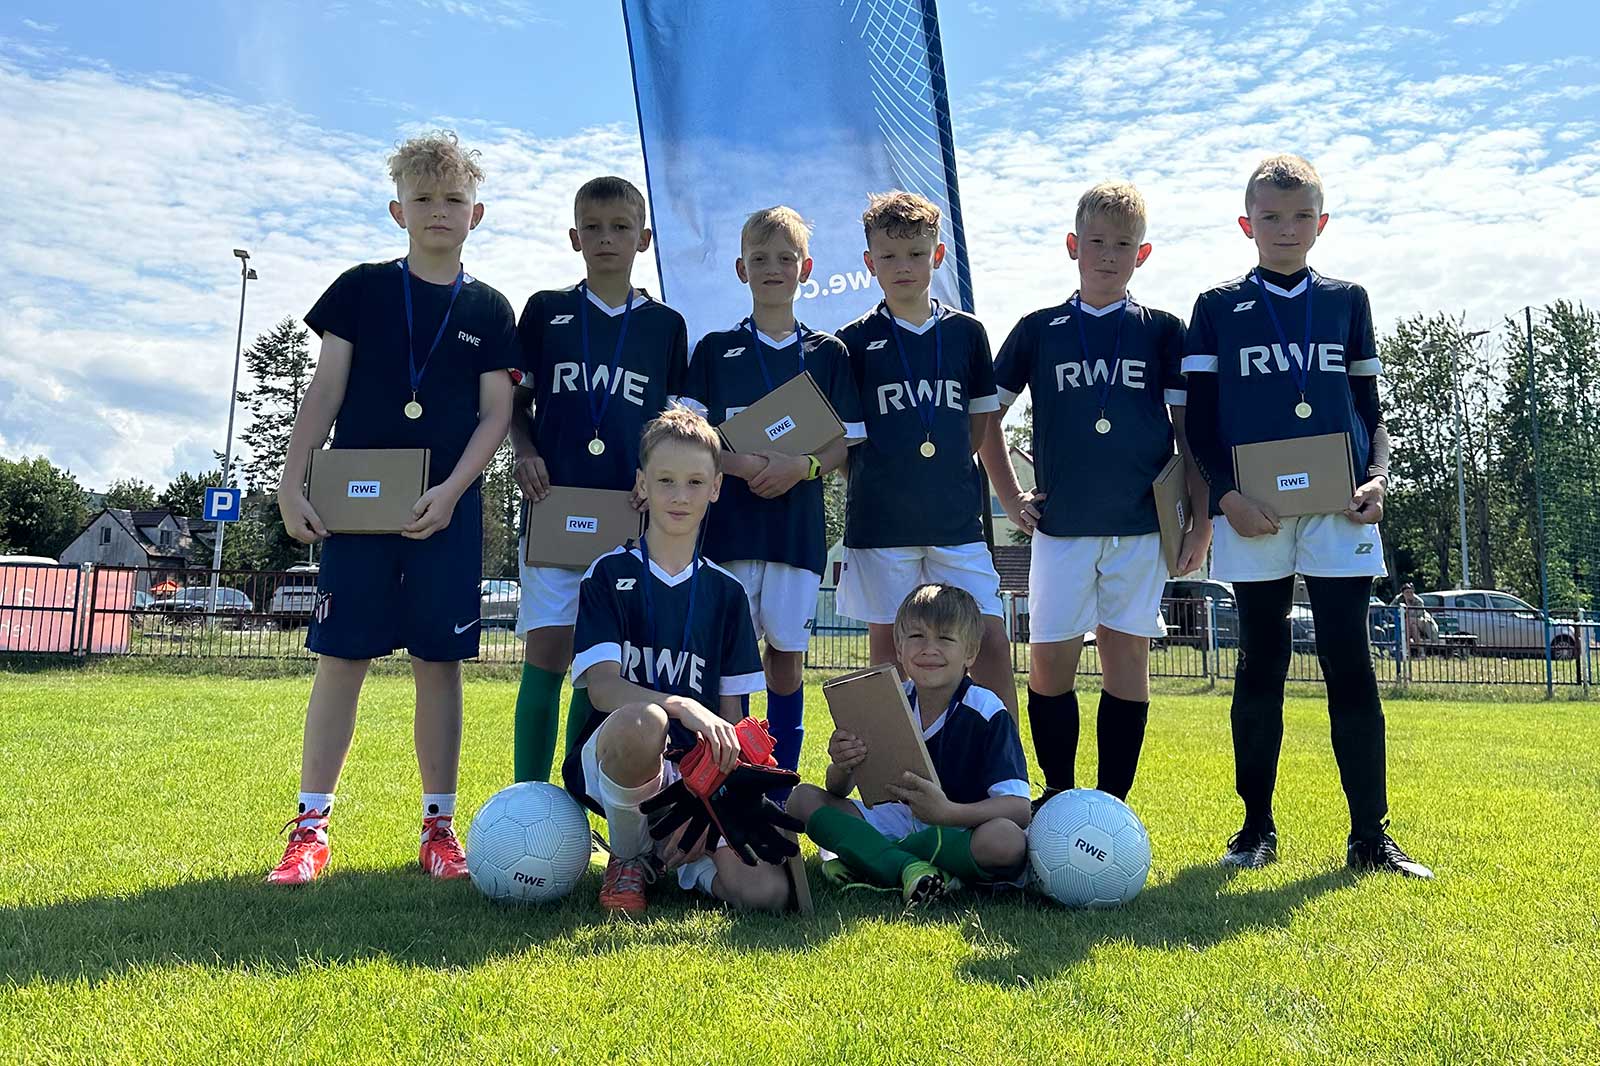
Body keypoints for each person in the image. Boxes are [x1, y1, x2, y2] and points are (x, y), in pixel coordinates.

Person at [268, 131, 517, 885]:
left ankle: (438, 828)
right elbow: (326, 391)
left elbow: (496, 414)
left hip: (445, 508)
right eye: (423, 198)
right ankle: (310, 829)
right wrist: (291, 480)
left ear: (477, 214)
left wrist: (452, 491)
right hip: (359, 504)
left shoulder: (490, 307)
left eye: (453, 199)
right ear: (396, 209)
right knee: (340, 655)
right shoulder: (359, 289)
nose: (438, 210)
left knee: (439, 664)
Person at [1183, 154, 1432, 878]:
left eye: (1299, 217)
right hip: (1252, 506)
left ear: (1320, 223)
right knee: (1261, 659)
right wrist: (1226, 495)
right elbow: (1198, 422)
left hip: (1339, 507)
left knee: (1350, 661)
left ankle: (1370, 837)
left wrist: (1380, 477)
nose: (1285, 229)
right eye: (1270, 216)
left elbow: (1372, 414)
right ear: (1246, 223)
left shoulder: (1348, 300)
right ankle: (1255, 829)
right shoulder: (1216, 305)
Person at [978, 181, 1209, 810]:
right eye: (1098, 243)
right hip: (1063, 526)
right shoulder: (1039, 330)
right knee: (1050, 661)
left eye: (1124, 245)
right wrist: (1009, 494)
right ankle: (1058, 793)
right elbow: (985, 419)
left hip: (1140, 527)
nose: (1109, 255)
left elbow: (1191, 434)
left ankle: (1110, 803)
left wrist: (1200, 522)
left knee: (1126, 659)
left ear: (1145, 252)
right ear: (1073, 245)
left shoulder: (1163, 331)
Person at [564, 405, 796, 913]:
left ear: (715, 487)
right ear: (642, 485)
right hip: (616, 756)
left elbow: (733, 718)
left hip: (695, 777)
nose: (679, 495)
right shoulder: (607, 573)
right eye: (665, 480)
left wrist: (722, 804)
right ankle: (627, 855)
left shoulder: (727, 592)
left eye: (694, 482)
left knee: (766, 892)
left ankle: (678, 864)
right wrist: (683, 706)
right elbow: (602, 688)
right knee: (644, 720)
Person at [509, 176, 689, 784]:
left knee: (602, 664)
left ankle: (581, 800)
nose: (605, 238)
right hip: (553, 507)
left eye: (619, 227)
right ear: (573, 236)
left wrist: (655, 475)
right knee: (547, 657)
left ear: (643, 236)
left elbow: (679, 425)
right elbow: (515, 402)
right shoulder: (545, 310)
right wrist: (525, 449)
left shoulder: (665, 325)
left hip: (627, 519)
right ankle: (528, 799)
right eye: (593, 227)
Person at [679, 206, 866, 787]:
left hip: (794, 536)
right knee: (721, 663)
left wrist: (801, 466)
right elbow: (691, 440)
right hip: (728, 534)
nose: (772, 269)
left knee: (786, 661)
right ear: (740, 269)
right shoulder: (714, 350)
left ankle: (780, 785)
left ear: (805, 269)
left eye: (785, 259)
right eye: (759, 259)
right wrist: (747, 465)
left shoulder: (829, 354)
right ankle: (714, 778)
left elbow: (843, 444)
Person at [835, 191, 1017, 717]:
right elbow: (847, 444)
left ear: (937, 255)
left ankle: (1005, 776)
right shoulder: (853, 341)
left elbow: (982, 424)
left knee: (987, 640)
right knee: (888, 656)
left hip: (956, 521)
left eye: (916, 253)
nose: (903, 267)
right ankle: (889, 779)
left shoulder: (967, 333)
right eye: (888, 257)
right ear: (870, 264)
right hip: (880, 524)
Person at [787, 584, 1031, 906]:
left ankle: (874, 859)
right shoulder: (884, 699)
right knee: (801, 799)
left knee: (1006, 841)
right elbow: (838, 790)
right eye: (916, 637)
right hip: (894, 818)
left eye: (945, 639)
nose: (929, 649)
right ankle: (909, 867)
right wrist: (842, 765)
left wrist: (948, 812)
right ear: (899, 650)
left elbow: (1019, 809)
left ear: (970, 653)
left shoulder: (987, 711)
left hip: (962, 825)